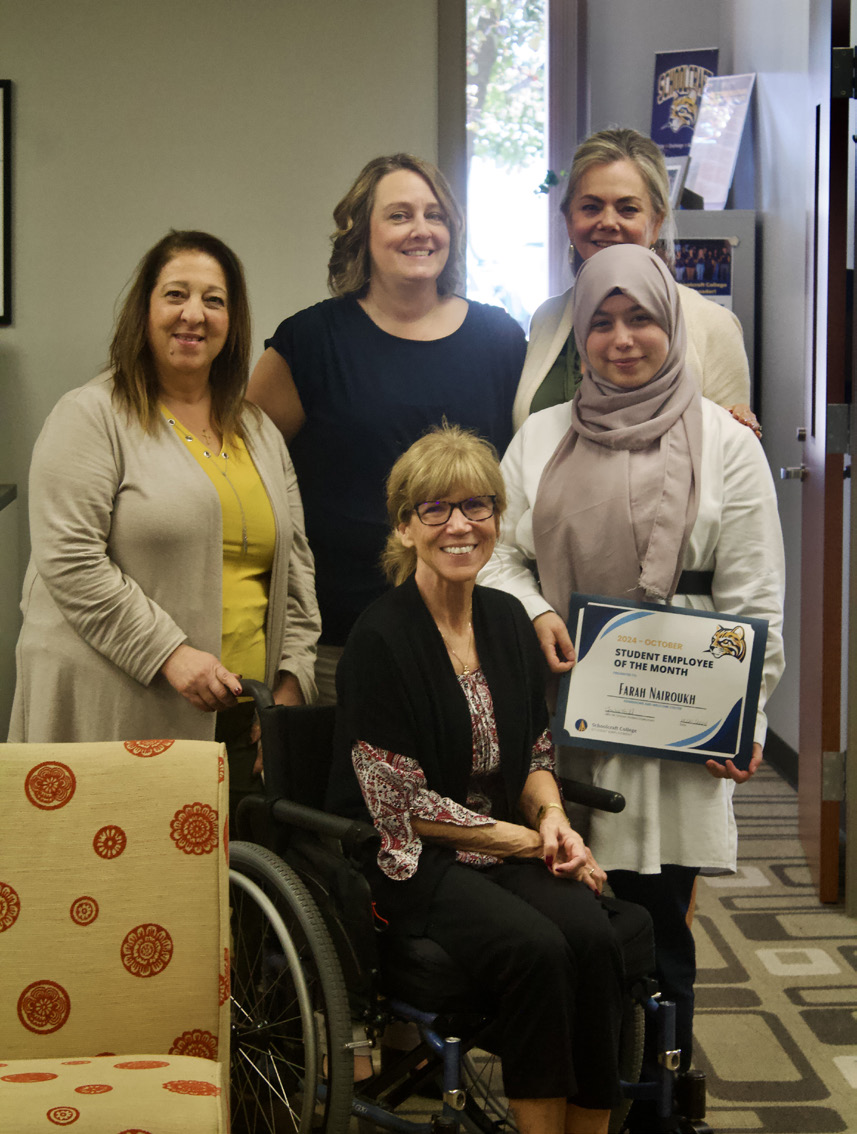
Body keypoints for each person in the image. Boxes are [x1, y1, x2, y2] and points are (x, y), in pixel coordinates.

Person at [480, 244, 785, 1117]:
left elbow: (754, 596)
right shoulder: (541, 436)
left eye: (640, 318)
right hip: (564, 717)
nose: (621, 339)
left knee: (656, 936)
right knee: (570, 927)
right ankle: (572, 1105)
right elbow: (498, 553)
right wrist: (537, 608)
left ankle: (656, 1105)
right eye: (601, 322)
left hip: (680, 731)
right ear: (579, 337)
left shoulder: (727, 444)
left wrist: (746, 719)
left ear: (670, 325)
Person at [327, 424, 651, 1134]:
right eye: (435, 509)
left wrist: (555, 823)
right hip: (414, 860)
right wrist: (532, 846)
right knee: (534, 949)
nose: (459, 525)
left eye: (477, 506)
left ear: (497, 520)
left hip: (505, 843)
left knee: (594, 940)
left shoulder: (507, 619)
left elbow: (534, 754)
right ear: (405, 527)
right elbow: (401, 806)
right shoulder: (379, 638)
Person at [9, 230, 321, 820]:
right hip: (118, 708)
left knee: (218, 902)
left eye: (214, 300)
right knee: (111, 892)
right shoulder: (91, 415)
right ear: (145, 310)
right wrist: (171, 653)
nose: (193, 315)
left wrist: (288, 687)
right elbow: (70, 560)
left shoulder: (258, 431)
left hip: (241, 722)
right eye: (176, 295)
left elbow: (296, 573)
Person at [248, 154, 526, 703]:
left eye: (435, 214)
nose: (422, 229)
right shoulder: (310, 341)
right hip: (338, 642)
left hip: (469, 636)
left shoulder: (499, 340)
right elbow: (242, 471)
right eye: (400, 215)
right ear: (361, 233)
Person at [513, 127, 759, 436]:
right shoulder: (547, 319)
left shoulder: (713, 325)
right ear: (569, 220)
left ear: (656, 223)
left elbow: (732, 457)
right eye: (591, 207)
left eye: (627, 209)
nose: (608, 222)